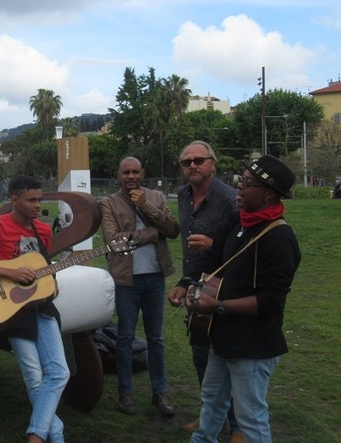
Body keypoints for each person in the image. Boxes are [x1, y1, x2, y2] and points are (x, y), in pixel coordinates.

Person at [185, 155, 301, 443]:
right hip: (222, 337)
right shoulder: (240, 220)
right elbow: (214, 259)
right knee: (211, 401)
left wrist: (218, 306)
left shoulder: (279, 238)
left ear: (269, 194)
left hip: (252, 344)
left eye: (247, 184)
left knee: (250, 417)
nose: (239, 188)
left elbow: (269, 302)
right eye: (240, 181)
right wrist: (186, 285)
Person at [0, 175, 69, 443]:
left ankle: (37, 434)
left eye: (39, 200)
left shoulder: (42, 231)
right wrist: (9, 274)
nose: (37, 205)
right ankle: (52, 436)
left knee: (59, 371)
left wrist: (48, 282)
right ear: (14, 200)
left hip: (39, 306)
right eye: (31, 200)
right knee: (33, 375)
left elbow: (41, 267)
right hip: (10, 309)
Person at [166, 141, 241, 439]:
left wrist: (215, 245)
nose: (192, 166)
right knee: (200, 354)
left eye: (199, 160)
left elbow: (242, 247)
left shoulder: (231, 198)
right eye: (186, 162)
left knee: (227, 358)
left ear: (213, 163)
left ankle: (238, 426)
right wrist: (184, 284)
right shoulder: (183, 195)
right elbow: (189, 251)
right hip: (197, 287)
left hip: (225, 286)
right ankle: (212, 417)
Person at [99, 157, 179, 416]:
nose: (131, 176)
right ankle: (126, 393)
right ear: (118, 175)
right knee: (124, 339)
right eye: (126, 172)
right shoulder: (109, 203)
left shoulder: (156, 196)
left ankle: (160, 392)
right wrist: (152, 233)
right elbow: (113, 241)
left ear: (143, 173)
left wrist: (146, 206)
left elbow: (173, 229)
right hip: (126, 281)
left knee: (156, 339)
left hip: (155, 278)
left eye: (135, 171)